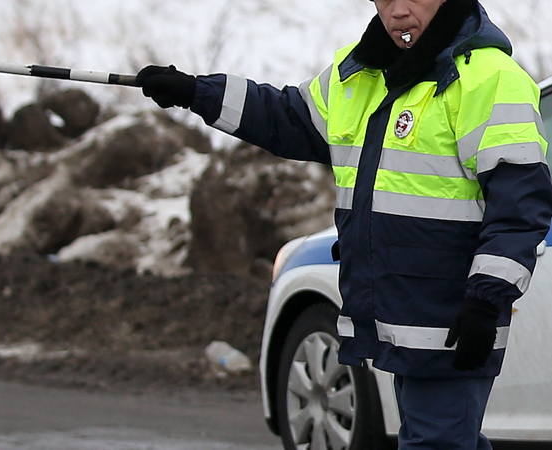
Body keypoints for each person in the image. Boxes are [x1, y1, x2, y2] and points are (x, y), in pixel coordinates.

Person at [136, 0, 552, 449]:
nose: (398, 11)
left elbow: (520, 205)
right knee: (443, 440)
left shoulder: (490, 80)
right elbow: (286, 116)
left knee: (437, 441)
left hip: (450, 319)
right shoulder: (359, 74)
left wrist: (486, 301)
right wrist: (196, 92)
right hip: (400, 316)